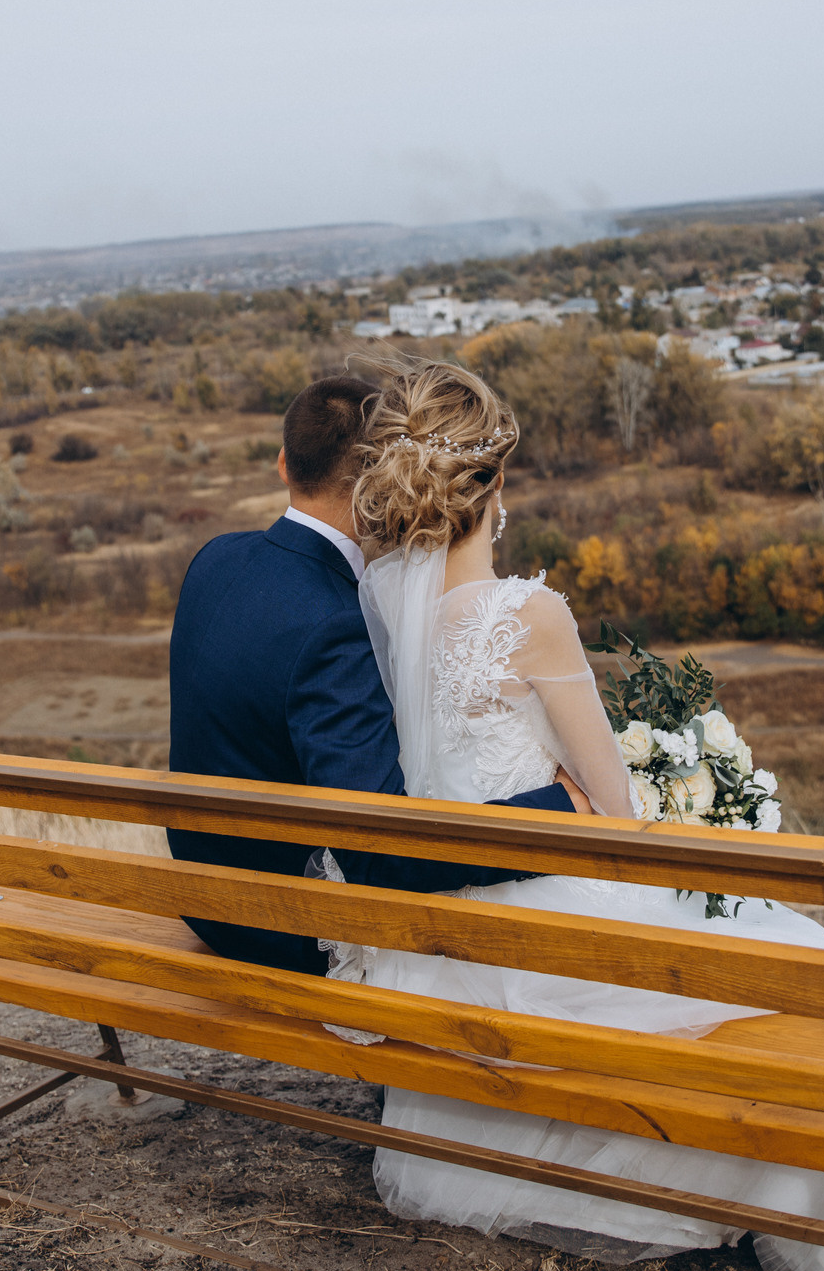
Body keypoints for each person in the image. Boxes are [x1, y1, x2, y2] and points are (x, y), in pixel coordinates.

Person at [329, 354, 824, 1271]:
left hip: (447, 931)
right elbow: (615, 814)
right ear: (493, 484)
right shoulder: (529, 615)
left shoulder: (377, 612)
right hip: (546, 900)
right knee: (795, 952)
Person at [165, 374, 581, 974]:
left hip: (197, 892)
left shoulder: (216, 559)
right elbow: (376, 855)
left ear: (285, 464)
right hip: (281, 922)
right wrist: (558, 810)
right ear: (379, 482)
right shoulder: (335, 624)